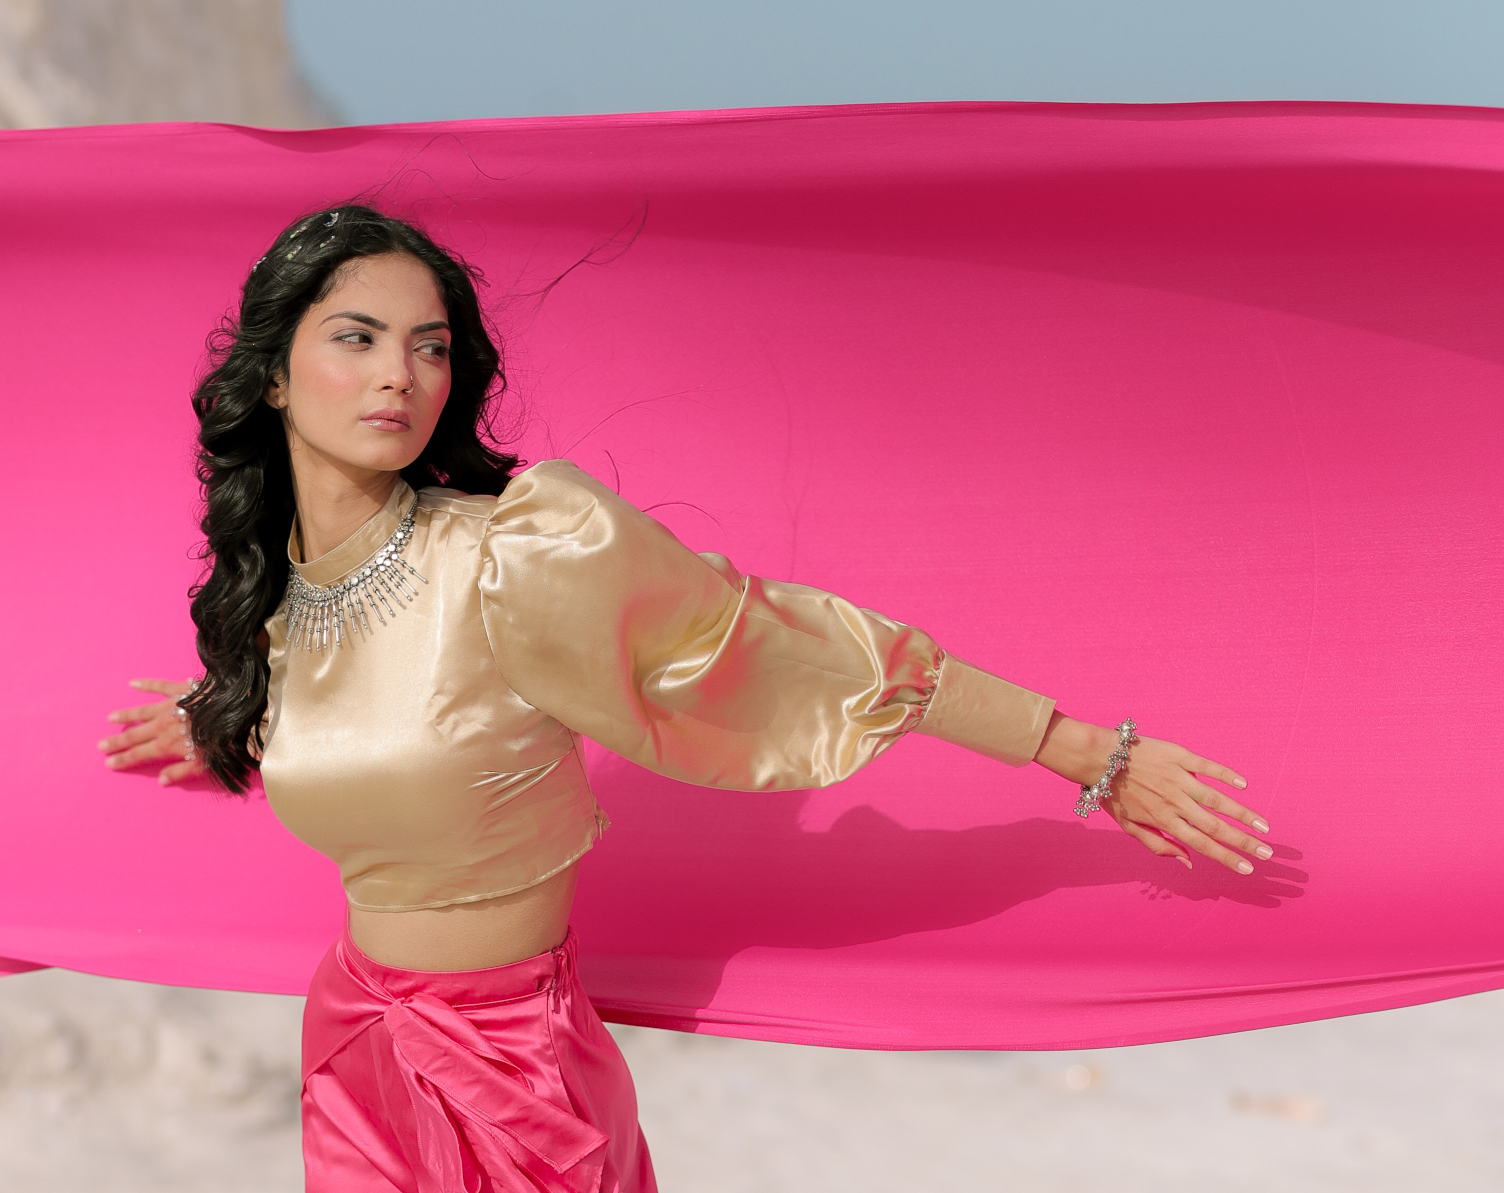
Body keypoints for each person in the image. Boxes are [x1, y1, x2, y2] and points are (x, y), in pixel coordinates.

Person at [96, 204, 1272, 1191]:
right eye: (357, 337)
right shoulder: (272, 608)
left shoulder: (521, 551)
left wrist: (1073, 746)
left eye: (432, 345)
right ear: (271, 372)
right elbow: (383, 728)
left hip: (520, 1065)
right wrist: (232, 722)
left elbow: (792, 642)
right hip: (355, 1040)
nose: (401, 373)